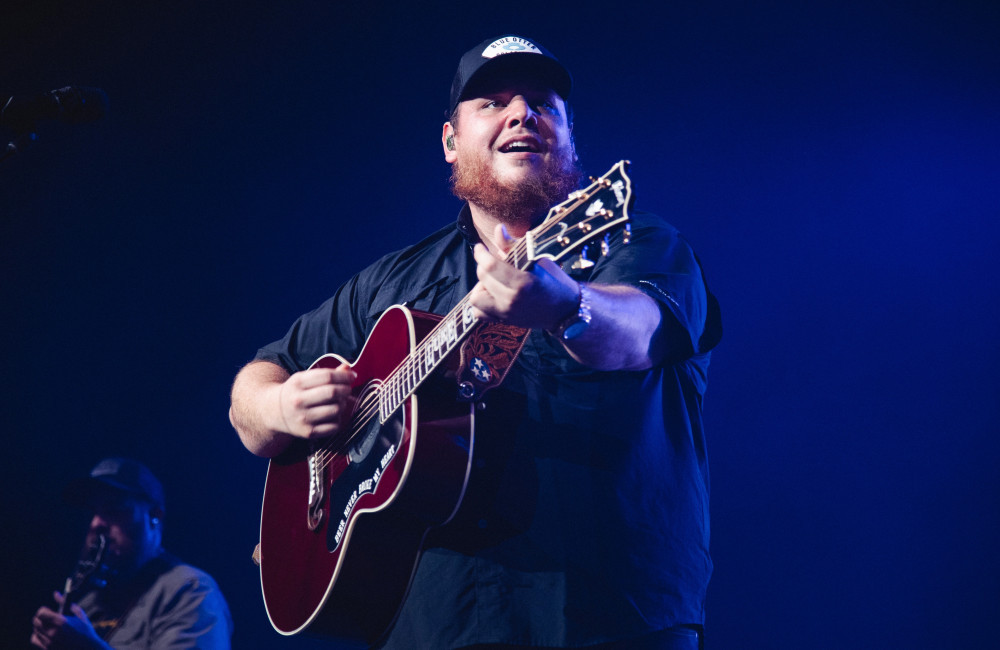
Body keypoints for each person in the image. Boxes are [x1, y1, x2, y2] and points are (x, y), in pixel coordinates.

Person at [229, 34, 721, 649]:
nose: (522, 113)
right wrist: (279, 408)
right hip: (433, 623)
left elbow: (643, 331)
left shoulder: (631, 238)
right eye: (492, 102)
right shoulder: (393, 281)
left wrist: (569, 305)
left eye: (543, 103)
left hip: (607, 614)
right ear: (449, 141)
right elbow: (255, 387)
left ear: (568, 135)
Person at [30, 457, 233, 649]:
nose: (96, 523)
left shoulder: (190, 591)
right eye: (92, 512)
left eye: (114, 509)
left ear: (154, 515)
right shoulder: (88, 605)